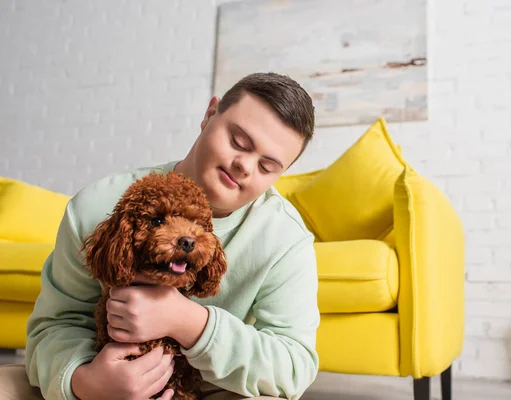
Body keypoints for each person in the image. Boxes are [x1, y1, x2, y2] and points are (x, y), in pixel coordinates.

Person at [0, 72, 320, 400]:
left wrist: (189, 323)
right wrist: (84, 381)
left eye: (267, 167)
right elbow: (53, 326)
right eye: (238, 142)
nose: (245, 166)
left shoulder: (285, 240)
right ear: (210, 114)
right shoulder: (96, 206)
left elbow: (294, 366)